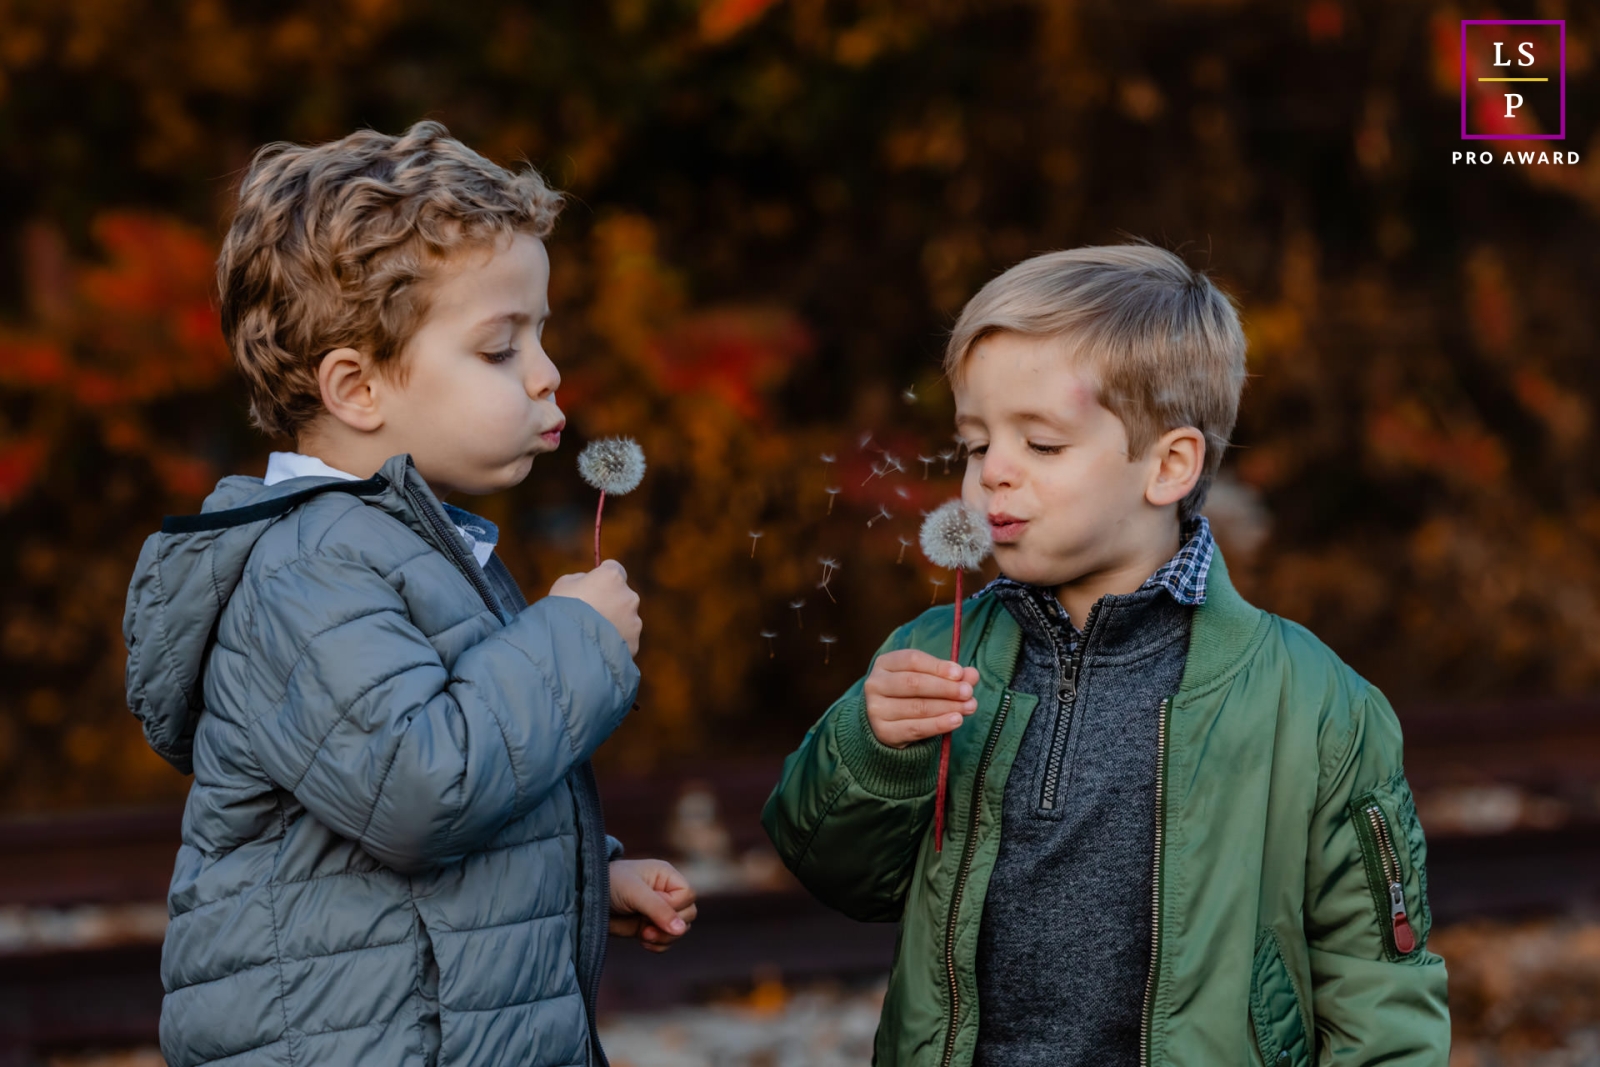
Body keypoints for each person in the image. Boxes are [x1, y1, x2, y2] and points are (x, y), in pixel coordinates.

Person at [763, 245, 1449, 1066]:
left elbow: (1381, 992)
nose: (993, 476)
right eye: (977, 445)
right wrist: (875, 753)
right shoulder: (932, 654)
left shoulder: (1314, 704)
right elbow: (838, 875)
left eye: (1042, 445)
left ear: (1168, 465)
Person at [123, 120, 694, 1067]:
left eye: (540, 335)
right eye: (500, 349)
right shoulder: (303, 568)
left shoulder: (406, 550)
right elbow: (420, 787)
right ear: (356, 386)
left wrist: (585, 872)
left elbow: (418, 825)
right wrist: (573, 641)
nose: (548, 373)